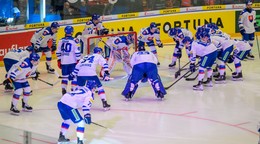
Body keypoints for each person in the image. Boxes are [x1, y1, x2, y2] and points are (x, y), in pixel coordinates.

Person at [56, 26, 81, 95]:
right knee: (74, 76)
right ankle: (73, 90)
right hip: (72, 61)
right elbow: (77, 51)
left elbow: (58, 51)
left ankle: (63, 90)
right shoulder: (75, 40)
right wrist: (78, 60)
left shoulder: (61, 40)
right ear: (72, 32)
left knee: (65, 77)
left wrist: (59, 60)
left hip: (64, 62)